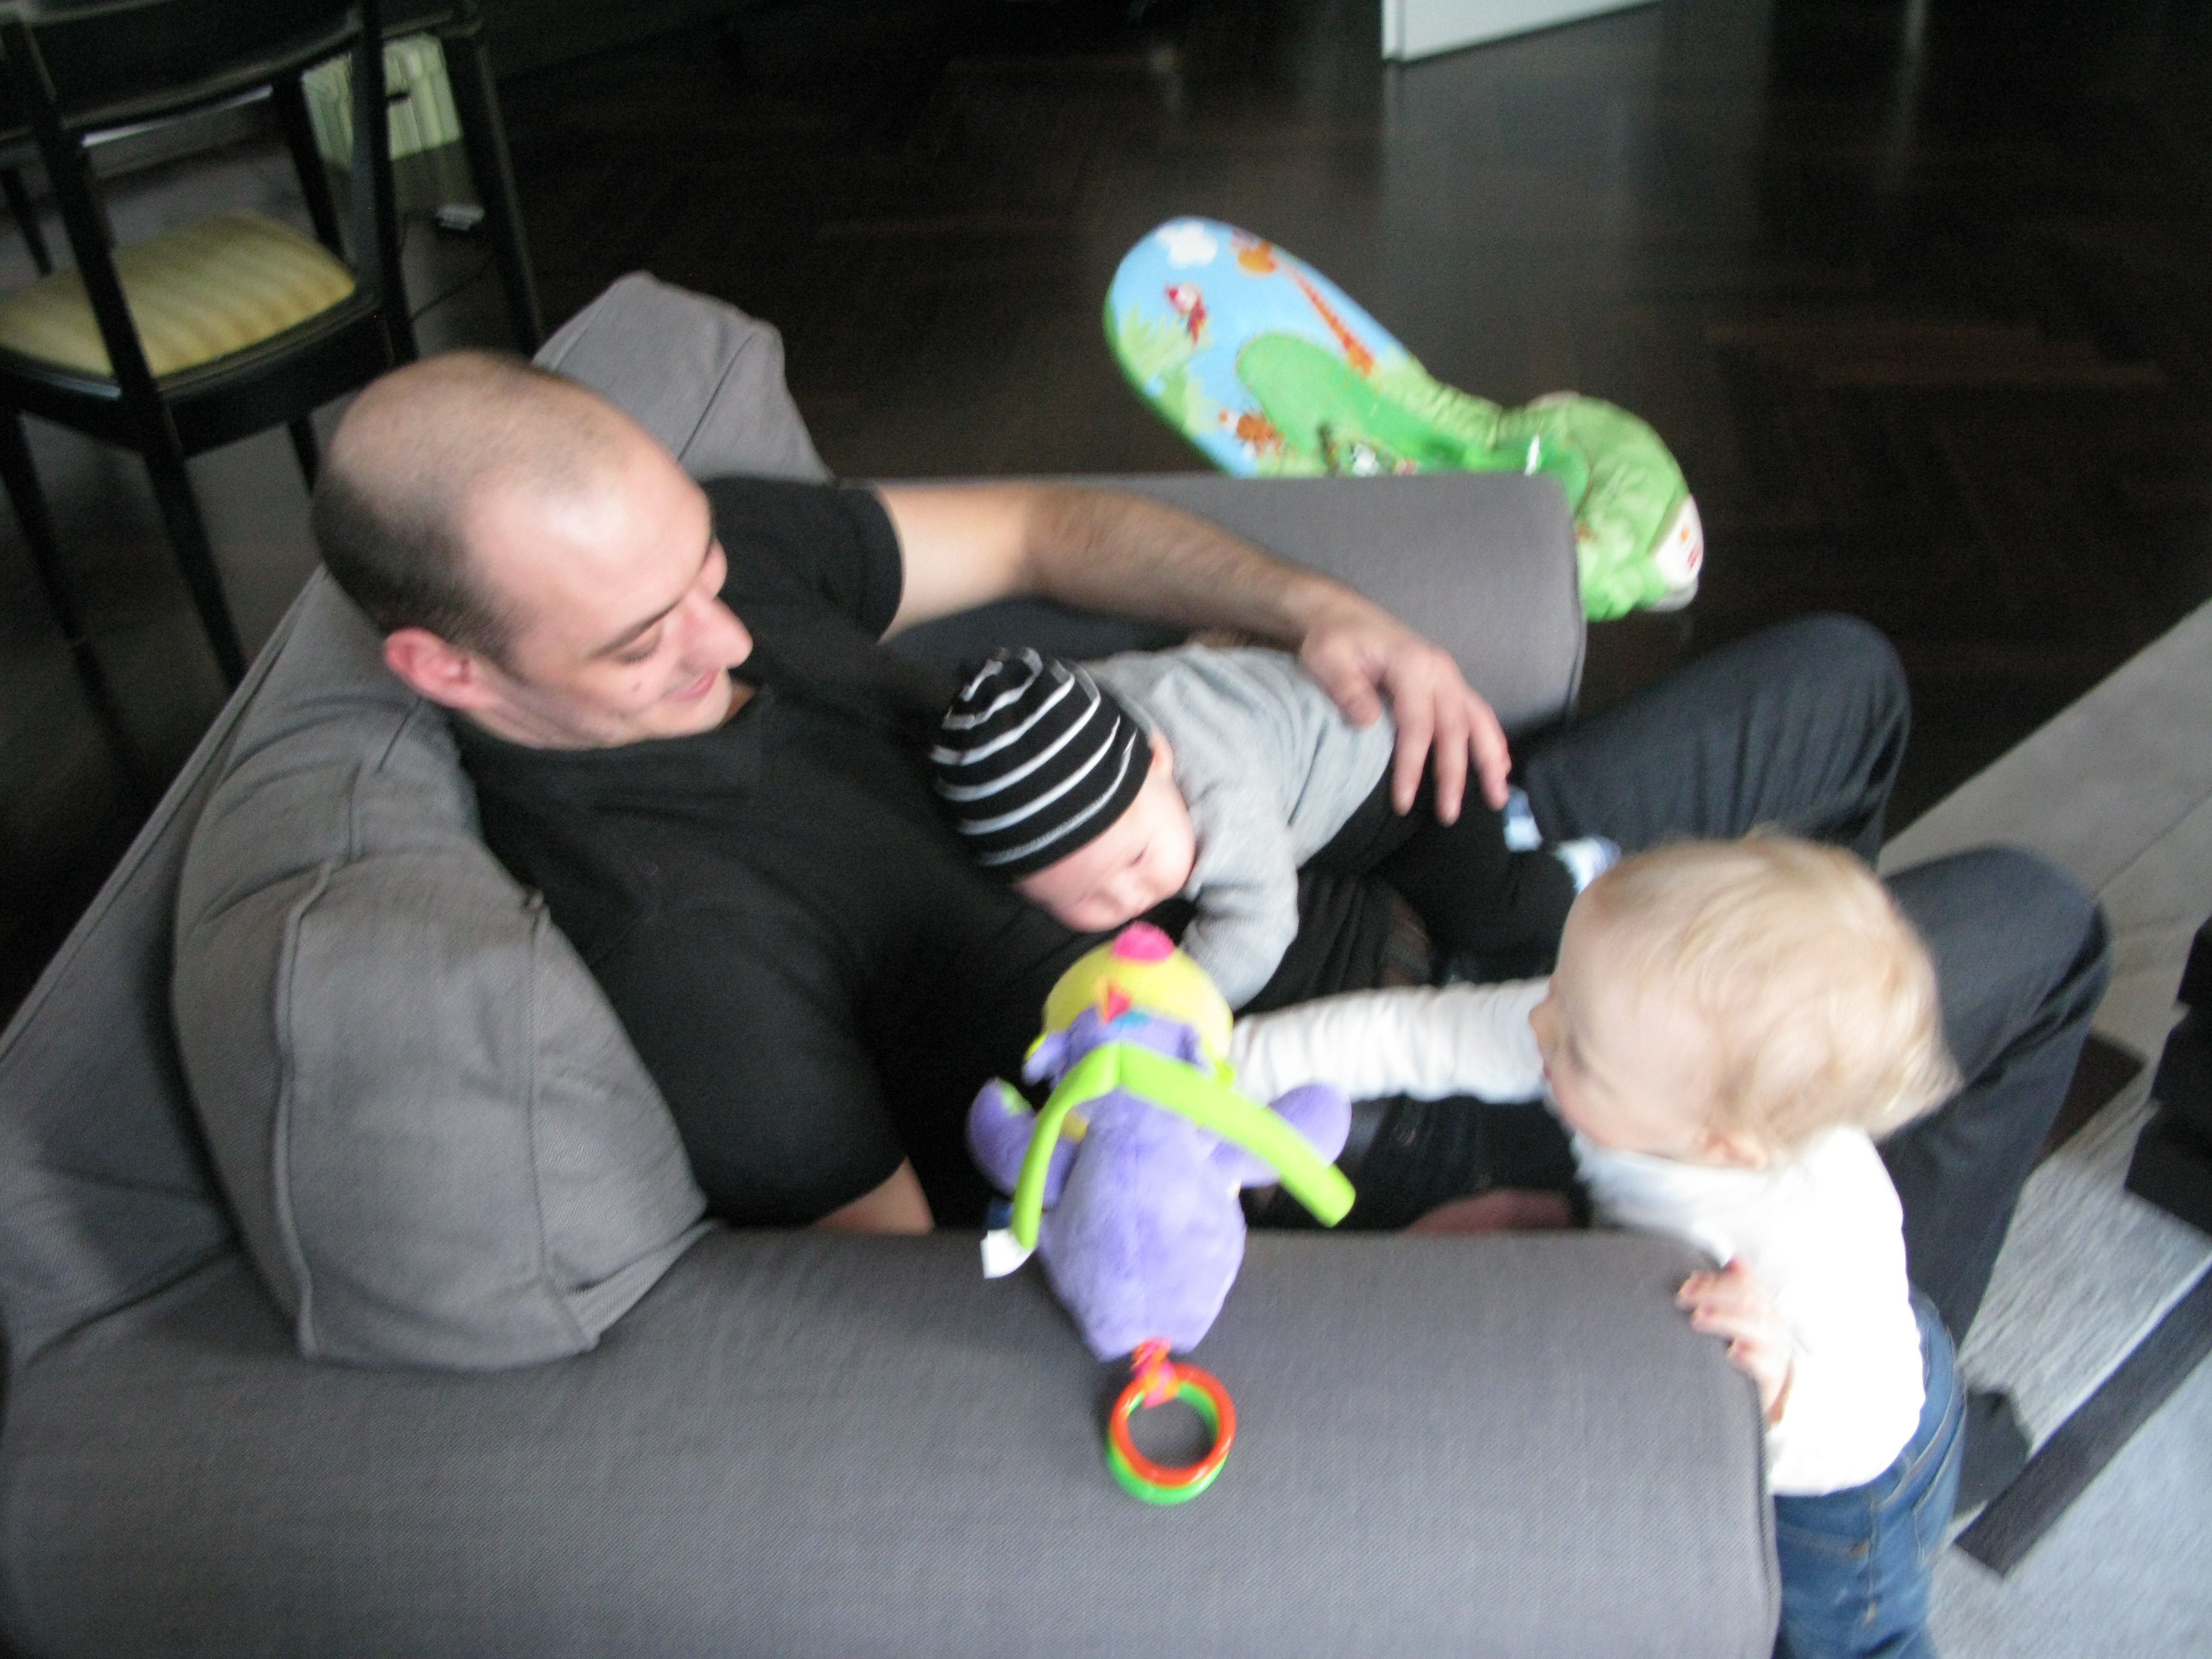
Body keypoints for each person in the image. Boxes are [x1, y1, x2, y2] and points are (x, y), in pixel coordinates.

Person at [313, 348, 2107, 1491]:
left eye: (709, 573)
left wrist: (1324, 613)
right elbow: (908, 1303)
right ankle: (1887, 1430)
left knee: (1845, 682)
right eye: (647, 642)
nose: (726, 639)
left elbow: (1044, 525)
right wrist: (1355, 1284)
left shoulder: (702, 569)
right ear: (445, 667)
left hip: (1414, 857)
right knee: (2036, 933)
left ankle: (1818, 1240)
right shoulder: (679, 943)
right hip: (1370, 1114)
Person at [1230, 836, 1968, 1658]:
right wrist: (1230, 1070)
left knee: (1851, 1639)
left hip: (1847, 1469)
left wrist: (1781, 1399)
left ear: (1720, 1143)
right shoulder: (1603, 1031)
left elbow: (1872, 1427)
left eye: (1574, 1045)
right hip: (1764, 1386)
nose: (1537, 1024)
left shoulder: (1812, 1231)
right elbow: (1413, 1034)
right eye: (1558, 991)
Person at [927, 644, 1617, 1008]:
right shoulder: (1089, 712)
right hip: (1312, 766)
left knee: (1487, 917)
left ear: (1160, 759)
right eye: (1082, 896)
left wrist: (1168, 1001)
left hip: (1409, 782)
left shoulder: (1218, 794)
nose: (1126, 898)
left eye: (1135, 859)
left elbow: (1258, 927)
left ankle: (1571, 869)